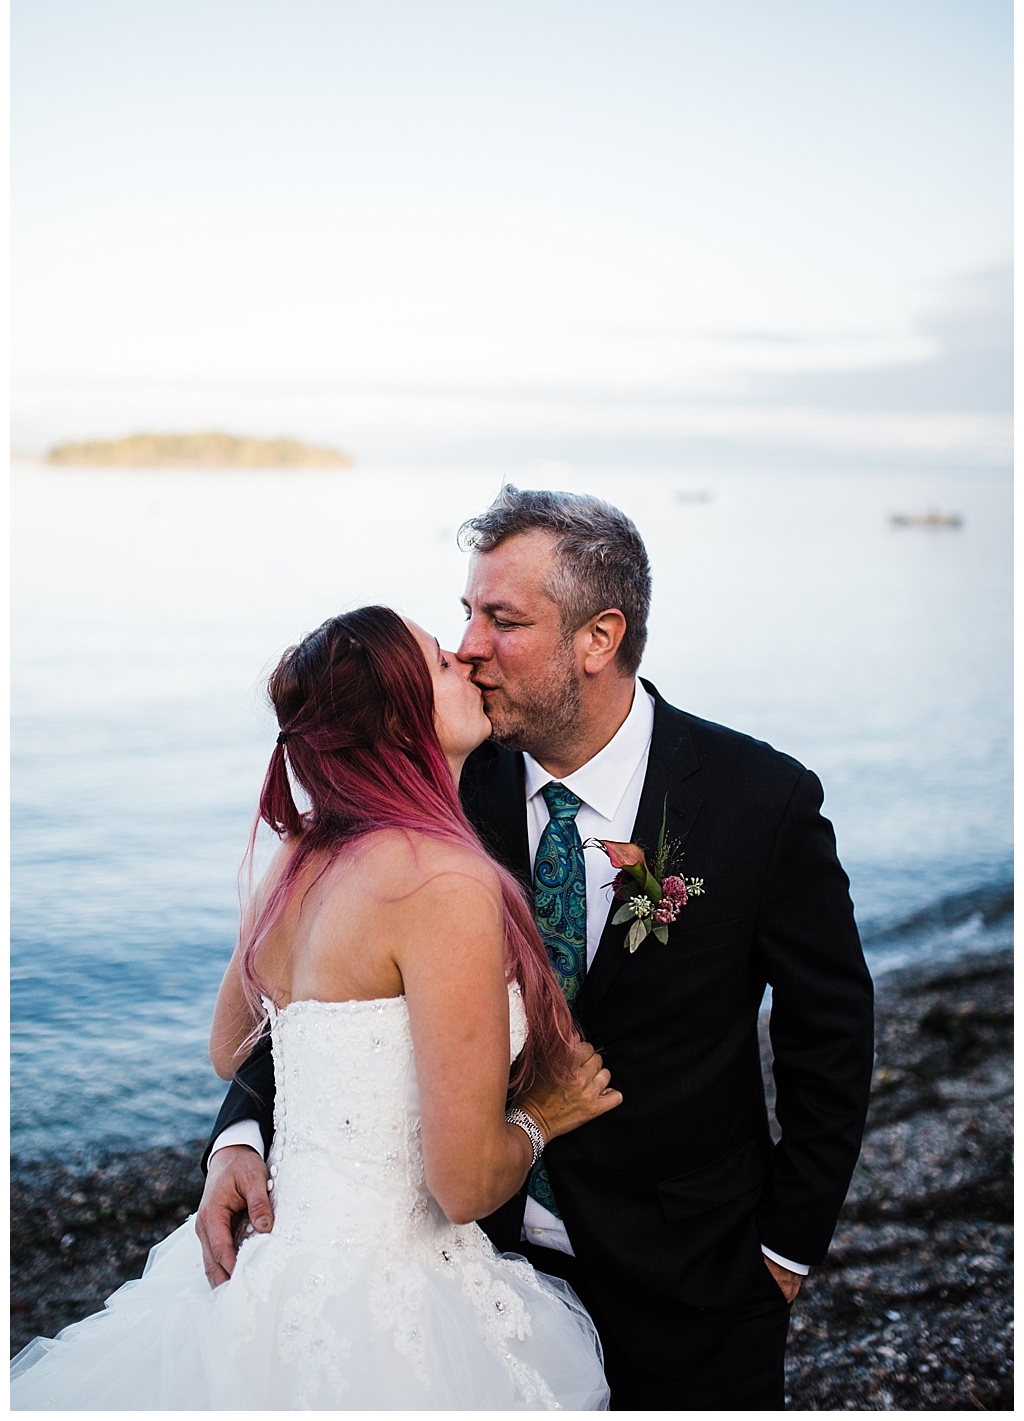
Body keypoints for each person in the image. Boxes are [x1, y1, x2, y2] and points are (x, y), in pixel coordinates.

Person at [201, 486, 875, 1410]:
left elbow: (829, 1033)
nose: (471, 644)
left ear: (598, 638)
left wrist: (786, 1247)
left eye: (503, 619)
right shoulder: (436, 792)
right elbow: (328, 996)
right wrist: (237, 1133)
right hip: (466, 1271)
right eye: (466, 614)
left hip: (693, 1278)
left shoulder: (760, 800)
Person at [10, 604, 620, 1410]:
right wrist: (543, 1113)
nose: (468, 664)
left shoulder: (304, 854)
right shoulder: (444, 882)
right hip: (392, 1296)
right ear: (401, 717)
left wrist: (251, 1133)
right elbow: (465, 1185)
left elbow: (232, 1045)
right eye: (442, 662)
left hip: (276, 1265)